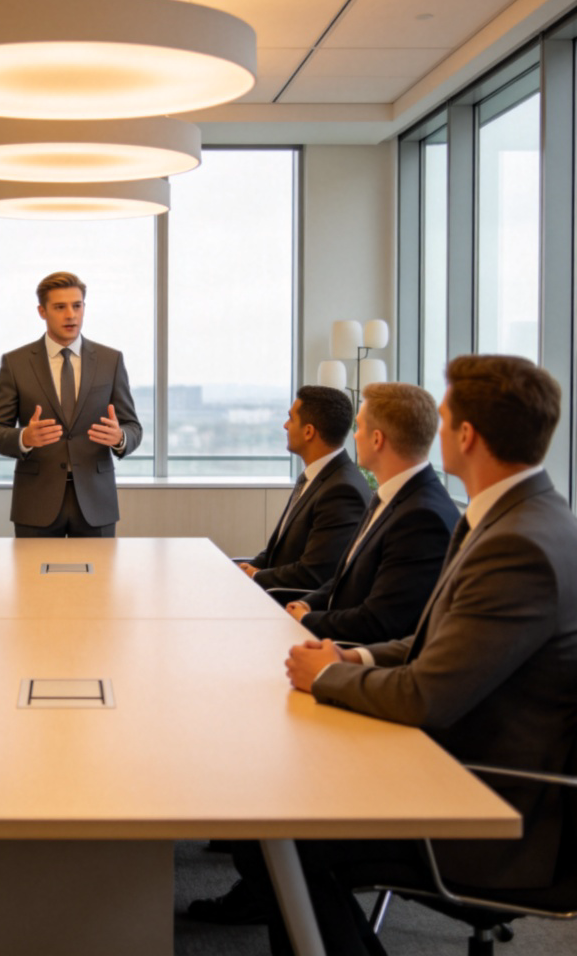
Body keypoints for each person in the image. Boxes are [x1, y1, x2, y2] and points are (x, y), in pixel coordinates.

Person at [193, 355, 577, 956]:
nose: (437, 432)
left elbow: (429, 693)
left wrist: (326, 678)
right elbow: (432, 642)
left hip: (486, 805)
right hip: (459, 766)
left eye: (445, 419)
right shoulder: (520, 518)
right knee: (272, 812)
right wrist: (356, 659)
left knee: (282, 832)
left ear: (467, 436)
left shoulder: (517, 544)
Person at [284, 382, 459, 643]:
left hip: (359, 658)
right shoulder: (392, 495)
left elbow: (380, 622)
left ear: (377, 439)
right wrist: (307, 605)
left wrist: (306, 621)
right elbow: (345, 578)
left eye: (360, 427)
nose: (354, 436)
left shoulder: (422, 518)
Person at [0, 271, 142, 537]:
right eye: (60, 307)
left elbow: (133, 427)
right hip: (36, 501)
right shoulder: (16, 363)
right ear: (42, 311)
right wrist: (24, 437)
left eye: (77, 306)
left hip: (96, 499)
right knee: (33, 580)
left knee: (99, 579)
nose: (71, 315)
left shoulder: (110, 360)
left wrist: (120, 437)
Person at [238, 385, 370, 590]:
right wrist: (251, 567)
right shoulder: (315, 477)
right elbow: (278, 552)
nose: (285, 425)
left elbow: (315, 574)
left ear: (308, 431)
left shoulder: (342, 491)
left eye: (291, 418)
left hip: (292, 607)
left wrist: (256, 576)